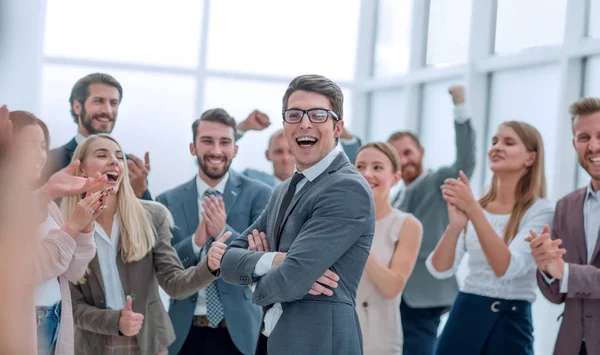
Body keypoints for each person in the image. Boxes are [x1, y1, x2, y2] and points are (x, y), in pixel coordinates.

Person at [220, 74, 375, 354]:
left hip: (317, 344)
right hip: (271, 338)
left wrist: (260, 277)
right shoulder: (283, 190)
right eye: (294, 115)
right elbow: (228, 260)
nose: (304, 123)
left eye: (318, 115)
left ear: (337, 127)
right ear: (285, 125)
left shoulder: (346, 188)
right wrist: (276, 260)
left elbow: (292, 279)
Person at [64, 134, 229, 354]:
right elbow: (72, 306)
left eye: (119, 157)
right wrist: (115, 321)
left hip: (149, 342)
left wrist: (208, 267)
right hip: (93, 345)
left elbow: (174, 284)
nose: (114, 161)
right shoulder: (68, 225)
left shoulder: (152, 215)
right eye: (102, 155)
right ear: (82, 170)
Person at [426, 121, 554, 354]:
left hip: (511, 321)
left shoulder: (541, 210)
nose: (496, 147)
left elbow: (506, 268)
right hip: (464, 315)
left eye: (508, 142)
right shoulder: (476, 206)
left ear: (530, 158)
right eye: (494, 141)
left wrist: (473, 209)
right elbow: (440, 269)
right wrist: (455, 227)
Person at [156, 109, 270, 355]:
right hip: (184, 334)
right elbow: (165, 270)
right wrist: (196, 241)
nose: (216, 150)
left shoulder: (260, 195)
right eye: (207, 141)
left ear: (235, 149)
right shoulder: (166, 201)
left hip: (240, 334)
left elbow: (261, 263)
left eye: (225, 142)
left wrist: (222, 232)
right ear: (193, 147)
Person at [8, 110, 108, 355]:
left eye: (43, 146)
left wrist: (85, 225)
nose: (41, 155)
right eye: (30, 145)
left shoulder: (48, 204)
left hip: (57, 315)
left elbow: (73, 271)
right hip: (25, 323)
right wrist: (71, 226)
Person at [390, 85, 476, 355]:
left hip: (426, 292)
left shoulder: (439, 181)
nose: (404, 161)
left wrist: (460, 108)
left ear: (421, 151)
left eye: (408, 153)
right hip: (397, 293)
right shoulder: (394, 198)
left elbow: (466, 160)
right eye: (396, 156)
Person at [528, 97, 600, 355]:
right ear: (574, 144)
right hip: (571, 344)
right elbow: (557, 295)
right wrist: (547, 268)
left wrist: (564, 271)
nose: (593, 146)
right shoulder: (566, 206)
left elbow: (567, 273)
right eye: (584, 138)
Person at [354, 142, 422, 355]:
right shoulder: (334, 221)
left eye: (377, 167)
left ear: (395, 178)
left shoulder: (408, 225)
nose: (367, 174)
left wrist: (358, 237)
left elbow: (392, 287)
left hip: (380, 339)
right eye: (360, 167)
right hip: (334, 334)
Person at [42, 73, 152, 200]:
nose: (108, 111)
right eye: (98, 101)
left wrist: (140, 192)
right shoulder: (49, 162)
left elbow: (151, 218)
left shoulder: (131, 169)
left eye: (113, 103)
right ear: (77, 107)